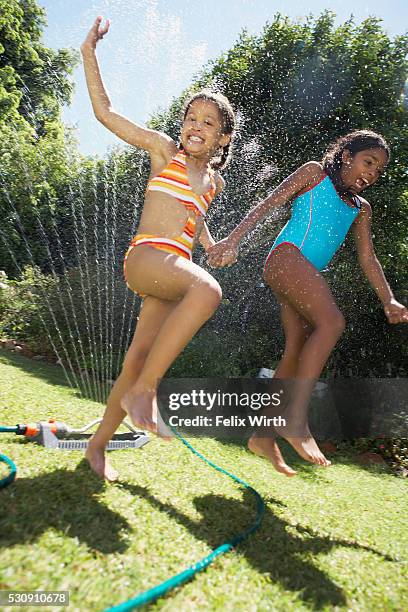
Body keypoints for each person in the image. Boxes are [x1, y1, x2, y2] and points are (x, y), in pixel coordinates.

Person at [81, 17, 236, 480]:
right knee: (208, 292)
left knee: (137, 357)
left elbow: (193, 215)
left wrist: (210, 243)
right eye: (191, 118)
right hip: (147, 257)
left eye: (208, 123)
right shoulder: (164, 152)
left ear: (223, 138)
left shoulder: (215, 181)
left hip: (174, 270)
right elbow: (106, 114)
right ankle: (146, 391)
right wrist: (89, 52)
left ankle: (98, 446)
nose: (195, 126)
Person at [208, 130, 408, 476]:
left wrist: (388, 298)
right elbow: (270, 202)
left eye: (378, 171)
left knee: (296, 348)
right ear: (347, 155)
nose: (372, 173)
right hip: (286, 258)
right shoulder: (315, 174)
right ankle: (295, 419)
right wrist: (233, 239)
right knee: (332, 323)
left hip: (302, 271)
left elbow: (368, 258)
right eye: (368, 162)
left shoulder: (361, 209)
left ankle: (264, 435)